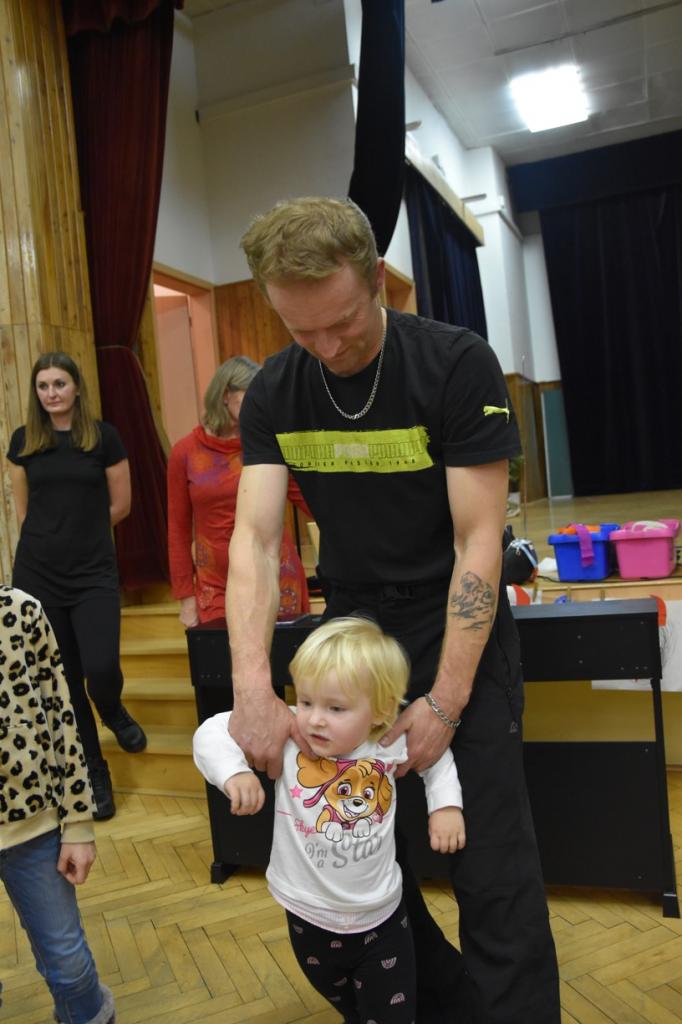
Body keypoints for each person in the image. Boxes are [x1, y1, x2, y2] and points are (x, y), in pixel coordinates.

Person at [223, 197, 561, 1023]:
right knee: (361, 857)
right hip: (353, 640)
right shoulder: (274, 393)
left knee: (492, 868)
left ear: (376, 278)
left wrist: (445, 701)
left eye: (343, 322)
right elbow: (255, 545)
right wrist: (252, 688)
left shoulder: (454, 364)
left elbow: (479, 544)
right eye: (302, 330)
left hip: (454, 626)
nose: (328, 347)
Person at [194, 615, 464, 1023]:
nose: (315, 718)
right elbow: (212, 732)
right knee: (349, 1007)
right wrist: (234, 774)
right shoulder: (291, 735)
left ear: (380, 711)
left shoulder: (387, 741)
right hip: (306, 918)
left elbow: (438, 759)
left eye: (335, 708)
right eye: (306, 701)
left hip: (382, 921)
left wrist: (445, 807)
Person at [7, 351, 147, 822]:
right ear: (36, 392)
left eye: (59, 384)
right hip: (39, 575)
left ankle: (111, 707)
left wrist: (83, 531)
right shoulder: (24, 441)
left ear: (76, 387)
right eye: (43, 386)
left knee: (101, 667)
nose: (51, 393)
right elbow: (25, 512)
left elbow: (121, 505)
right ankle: (94, 775)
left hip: (92, 573)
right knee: (65, 683)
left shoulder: (103, 437)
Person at [0, 585, 115, 1024]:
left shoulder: (21, 610)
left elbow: (64, 718)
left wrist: (79, 823)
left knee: (71, 970)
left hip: (34, 830)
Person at [167, 355, 310, 628]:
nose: (259, 403)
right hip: (217, 585)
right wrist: (185, 598)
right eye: (250, 395)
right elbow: (178, 530)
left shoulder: (267, 444)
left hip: (276, 576)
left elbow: (308, 499)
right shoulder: (185, 452)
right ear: (225, 395)